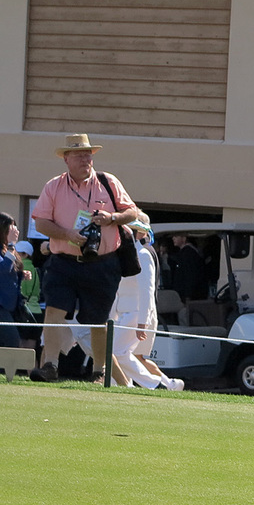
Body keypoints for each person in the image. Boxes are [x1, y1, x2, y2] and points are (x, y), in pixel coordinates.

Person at [28, 133, 147, 383]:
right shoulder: (54, 186)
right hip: (64, 262)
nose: (86, 158)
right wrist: (68, 234)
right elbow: (41, 223)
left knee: (99, 320)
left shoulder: (108, 182)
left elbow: (132, 211)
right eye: (79, 154)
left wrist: (111, 218)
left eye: (88, 154)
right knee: (54, 310)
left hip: (103, 263)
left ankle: (98, 371)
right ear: (66, 159)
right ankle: (50, 365)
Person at [109, 218, 183, 391]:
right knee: (118, 353)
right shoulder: (123, 256)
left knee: (117, 352)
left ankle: (155, 384)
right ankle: (154, 384)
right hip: (122, 315)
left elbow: (147, 290)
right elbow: (118, 292)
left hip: (135, 314)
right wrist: (112, 317)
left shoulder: (142, 255)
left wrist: (143, 321)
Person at [0, 213, 27, 350]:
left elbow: (9, 270)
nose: (14, 233)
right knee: (12, 340)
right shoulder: (9, 248)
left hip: (11, 305)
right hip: (1, 306)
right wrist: (11, 244)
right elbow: (2, 268)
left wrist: (21, 274)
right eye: (9, 230)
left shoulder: (7, 250)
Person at [164, 234, 210, 303]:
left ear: (184, 238)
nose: (173, 238)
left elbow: (189, 275)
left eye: (176, 236)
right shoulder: (185, 253)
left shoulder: (188, 254)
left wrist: (188, 296)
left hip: (188, 296)